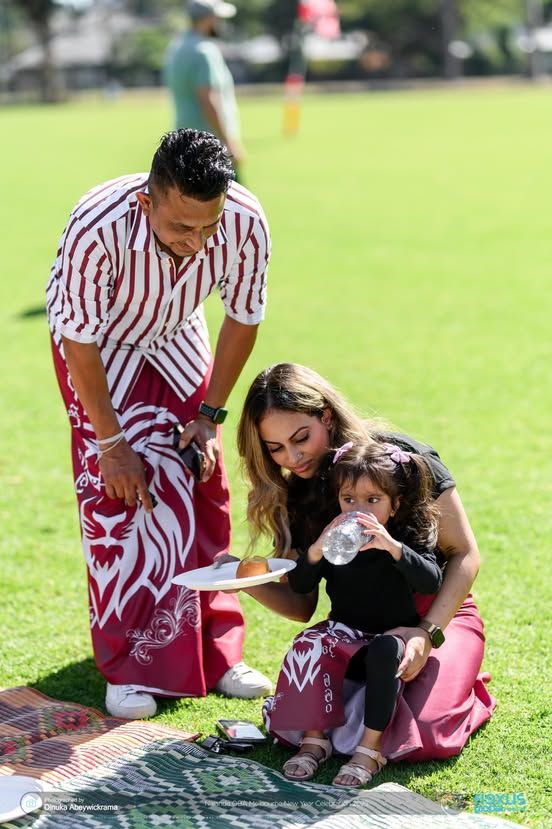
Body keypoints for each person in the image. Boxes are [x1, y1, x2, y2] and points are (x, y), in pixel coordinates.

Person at [45, 129, 272, 719]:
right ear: (147, 203)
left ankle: (218, 650)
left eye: (208, 227)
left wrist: (209, 415)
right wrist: (112, 445)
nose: (198, 243)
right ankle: (129, 662)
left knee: (204, 481)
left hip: (177, 331)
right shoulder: (98, 228)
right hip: (99, 344)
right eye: (181, 228)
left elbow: (242, 319)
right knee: (119, 493)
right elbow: (80, 342)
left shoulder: (244, 220)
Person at [235, 363, 496, 767]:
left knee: (422, 734)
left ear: (326, 415)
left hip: (435, 613)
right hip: (356, 626)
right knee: (307, 725)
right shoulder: (298, 494)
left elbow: (465, 554)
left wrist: (427, 633)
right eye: (275, 448)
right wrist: (239, 579)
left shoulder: (400, 459)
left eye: (301, 437)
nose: (293, 456)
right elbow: (303, 605)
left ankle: (461, 684)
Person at [273, 440, 444, 787]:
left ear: (394, 505)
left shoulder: (403, 536)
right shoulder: (335, 536)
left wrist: (393, 548)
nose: (358, 509)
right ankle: (313, 739)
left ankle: (369, 749)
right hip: (346, 634)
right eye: (348, 499)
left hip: (392, 636)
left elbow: (431, 582)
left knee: (385, 650)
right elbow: (300, 583)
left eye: (373, 500)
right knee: (310, 641)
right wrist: (317, 551)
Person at [164, 0, 245, 180]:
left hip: (184, 143)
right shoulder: (205, 51)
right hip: (211, 146)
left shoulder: (176, 48)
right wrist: (229, 143)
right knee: (235, 205)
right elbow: (208, 100)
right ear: (207, 19)